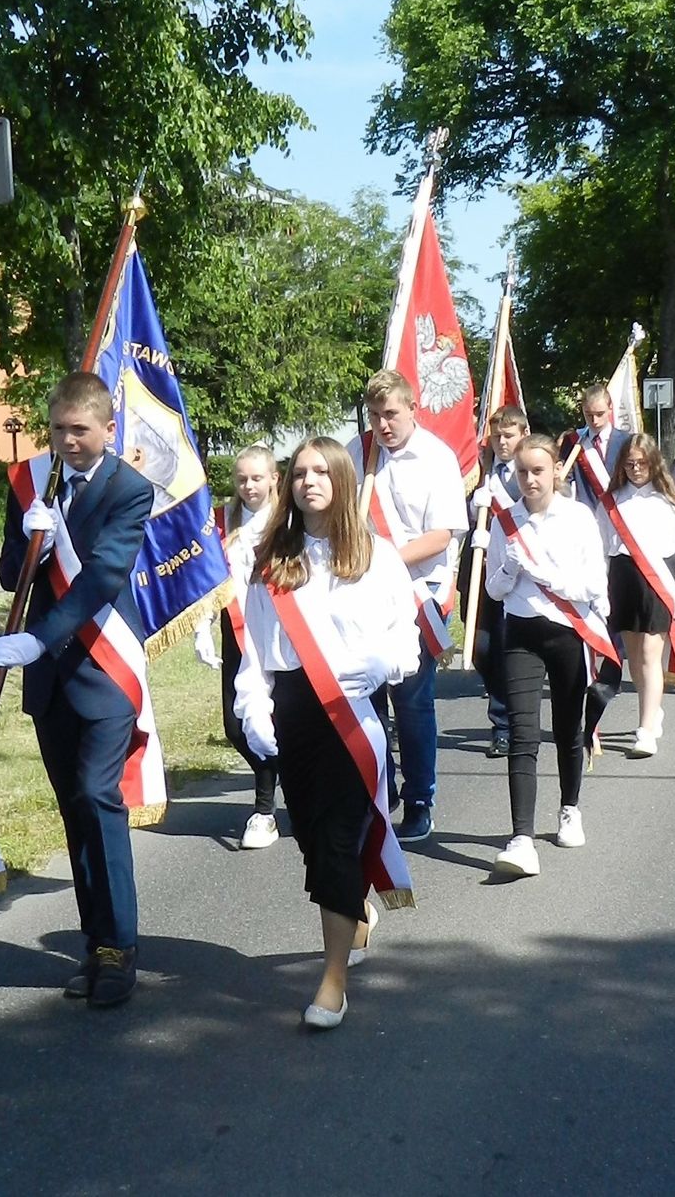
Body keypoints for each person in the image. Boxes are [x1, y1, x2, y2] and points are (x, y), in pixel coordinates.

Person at [234, 437, 419, 1029]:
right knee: (313, 842)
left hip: (352, 712)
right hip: (293, 708)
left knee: (337, 843)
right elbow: (257, 649)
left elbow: (407, 644)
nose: (308, 481)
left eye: (321, 471)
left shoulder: (378, 555)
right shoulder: (272, 558)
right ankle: (353, 909)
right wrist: (253, 704)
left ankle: (333, 981)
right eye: (300, 473)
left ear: (341, 480)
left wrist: (379, 666)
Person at [0, 372, 155, 1008]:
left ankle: (120, 949)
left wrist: (39, 638)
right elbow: (11, 574)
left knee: (97, 796)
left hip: (103, 667)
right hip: (52, 678)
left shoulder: (129, 489)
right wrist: (31, 541)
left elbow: (103, 581)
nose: (67, 441)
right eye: (58, 429)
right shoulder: (31, 483)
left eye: (80, 430)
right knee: (72, 811)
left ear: (108, 430)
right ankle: (93, 946)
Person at [484, 434, 613, 878]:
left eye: (538, 471)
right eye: (522, 472)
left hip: (567, 632)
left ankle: (570, 807)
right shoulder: (506, 522)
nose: (529, 479)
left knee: (566, 728)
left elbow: (593, 585)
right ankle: (521, 838)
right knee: (523, 732)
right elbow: (493, 590)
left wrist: (545, 576)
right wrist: (511, 567)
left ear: (556, 470)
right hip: (520, 634)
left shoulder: (577, 518)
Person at [347, 369, 467, 843]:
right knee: (368, 696)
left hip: (419, 593)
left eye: (391, 414)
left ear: (411, 408)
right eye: (374, 415)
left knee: (413, 703)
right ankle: (381, 784)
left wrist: (381, 561)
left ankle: (420, 799)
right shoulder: (360, 452)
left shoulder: (437, 458)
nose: (382, 424)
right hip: (366, 597)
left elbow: (440, 537)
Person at [598, 434, 675, 757]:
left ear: (653, 463)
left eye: (642, 463)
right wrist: (599, 592)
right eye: (629, 463)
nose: (635, 469)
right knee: (636, 657)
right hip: (623, 580)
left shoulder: (669, 501)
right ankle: (653, 706)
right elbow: (600, 550)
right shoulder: (612, 502)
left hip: (659, 582)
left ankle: (645, 730)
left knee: (649, 653)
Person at [194, 443, 282, 848]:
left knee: (282, 720)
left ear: (273, 479)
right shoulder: (220, 522)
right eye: (242, 478)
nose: (249, 486)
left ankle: (265, 810)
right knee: (237, 726)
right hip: (238, 632)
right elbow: (207, 582)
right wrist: (202, 626)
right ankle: (281, 775)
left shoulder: (288, 520)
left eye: (257, 478)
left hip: (282, 634)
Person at [457, 403, 528, 757]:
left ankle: (505, 724)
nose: (502, 442)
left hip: (513, 567)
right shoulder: (481, 470)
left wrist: (498, 500)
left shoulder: (526, 472)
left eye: (509, 435)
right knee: (480, 647)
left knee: (504, 647)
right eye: (497, 435)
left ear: (522, 435)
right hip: (479, 563)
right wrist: (474, 507)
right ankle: (507, 712)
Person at [560, 383, 630, 511]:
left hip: (620, 515)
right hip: (587, 516)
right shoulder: (572, 441)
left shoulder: (627, 441)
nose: (594, 421)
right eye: (588, 414)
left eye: (599, 414)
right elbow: (564, 481)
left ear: (610, 408)